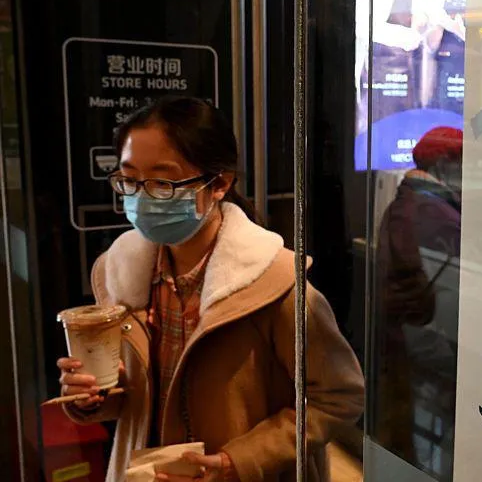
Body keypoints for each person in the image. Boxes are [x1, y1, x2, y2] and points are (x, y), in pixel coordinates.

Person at [57, 96, 365, 482]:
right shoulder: (120, 275)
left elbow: (338, 398)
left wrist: (237, 462)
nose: (141, 196)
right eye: (130, 180)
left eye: (163, 182)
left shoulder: (274, 285)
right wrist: (92, 396)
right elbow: (137, 396)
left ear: (219, 182)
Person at [375, 126, 462, 477]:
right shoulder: (434, 214)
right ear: (444, 163)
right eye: (464, 163)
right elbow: (447, 297)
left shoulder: (406, 203)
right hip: (427, 351)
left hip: (407, 347)